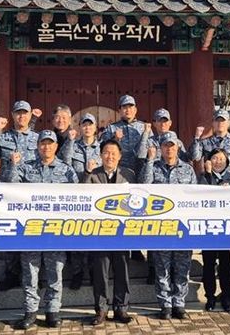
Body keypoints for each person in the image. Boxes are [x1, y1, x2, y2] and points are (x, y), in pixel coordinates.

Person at [1, 130, 79, 330]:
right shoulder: (26, 167)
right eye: (43, 143)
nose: (46, 147)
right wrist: (13, 165)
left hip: (56, 232)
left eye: (50, 143)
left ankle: (53, 310)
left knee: (56, 273)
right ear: (37, 146)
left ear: (56, 146)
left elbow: (78, 196)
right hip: (31, 232)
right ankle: (30, 312)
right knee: (30, 273)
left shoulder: (66, 170)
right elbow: (10, 188)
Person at [0, 100, 40, 292]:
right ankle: (11, 275)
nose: (21, 116)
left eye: (25, 113)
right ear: (13, 115)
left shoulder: (38, 138)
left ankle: (33, 276)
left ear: (30, 115)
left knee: (31, 234)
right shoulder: (4, 137)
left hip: (31, 194)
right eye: (18, 113)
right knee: (12, 234)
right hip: (9, 192)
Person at [139, 131, 197, 320]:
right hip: (160, 227)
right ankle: (165, 304)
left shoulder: (188, 170)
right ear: (161, 148)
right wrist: (149, 160)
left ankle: (179, 303)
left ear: (178, 147)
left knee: (182, 267)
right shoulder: (153, 167)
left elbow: (195, 196)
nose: (169, 149)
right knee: (162, 268)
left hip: (182, 227)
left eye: (172, 145)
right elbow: (143, 186)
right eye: (165, 145)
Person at [84, 139, 135, 325]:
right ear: (100, 155)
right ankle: (101, 309)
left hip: (122, 233)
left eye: (114, 153)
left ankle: (121, 308)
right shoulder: (92, 174)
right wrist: (87, 173)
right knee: (100, 273)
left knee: (122, 272)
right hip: (100, 232)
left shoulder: (129, 175)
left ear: (120, 156)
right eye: (106, 152)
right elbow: (82, 196)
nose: (110, 156)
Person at [101, 94, 148, 263]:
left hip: (139, 174)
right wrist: (115, 139)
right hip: (118, 176)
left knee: (137, 211)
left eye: (130, 107)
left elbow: (150, 149)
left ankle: (135, 248)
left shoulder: (144, 127)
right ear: (120, 110)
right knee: (119, 210)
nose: (128, 110)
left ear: (135, 109)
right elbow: (103, 149)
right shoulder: (112, 128)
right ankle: (117, 246)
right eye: (124, 107)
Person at [60, 113, 101, 289]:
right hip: (76, 197)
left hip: (97, 198)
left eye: (90, 124)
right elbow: (64, 161)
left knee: (94, 236)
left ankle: (92, 271)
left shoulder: (102, 147)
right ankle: (77, 273)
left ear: (95, 127)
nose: (87, 127)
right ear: (80, 127)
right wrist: (70, 141)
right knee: (76, 236)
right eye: (84, 124)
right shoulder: (73, 145)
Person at [198, 148, 230, 312]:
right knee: (208, 265)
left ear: (227, 161)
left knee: (226, 265)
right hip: (208, 228)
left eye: (221, 159)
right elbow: (201, 195)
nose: (218, 162)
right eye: (214, 158)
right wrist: (208, 175)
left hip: (227, 229)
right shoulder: (203, 177)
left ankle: (226, 296)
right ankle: (210, 297)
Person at [190, 109, 230, 177]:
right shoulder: (205, 142)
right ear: (213, 123)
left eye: (223, 121)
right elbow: (194, 157)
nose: (220, 123)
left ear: (228, 123)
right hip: (211, 180)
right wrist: (196, 138)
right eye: (217, 121)